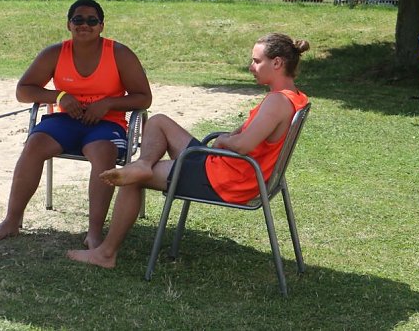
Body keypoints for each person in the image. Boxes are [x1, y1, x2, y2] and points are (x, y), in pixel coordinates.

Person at [67, 33, 309, 268]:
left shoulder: (277, 102)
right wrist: (231, 137)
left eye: (257, 61)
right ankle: (143, 165)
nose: (251, 67)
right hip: (227, 169)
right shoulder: (295, 98)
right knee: (159, 121)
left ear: (277, 63)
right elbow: (250, 135)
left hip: (226, 180)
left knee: (132, 181)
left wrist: (224, 141)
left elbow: (243, 145)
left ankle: (105, 254)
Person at [0, 0, 152, 248]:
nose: (84, 25)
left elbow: (144, 97)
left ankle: (94, 232)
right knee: (34, 144)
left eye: (91, 20)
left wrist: (107, 104)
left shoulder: (119, 53)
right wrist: (60, 96)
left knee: (103, 153)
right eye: (78, 20)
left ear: (101, 26)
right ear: (68, 24)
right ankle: (12, 220)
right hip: (66, 120)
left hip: (106, 123)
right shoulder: (55, 53)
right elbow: (23, 91)